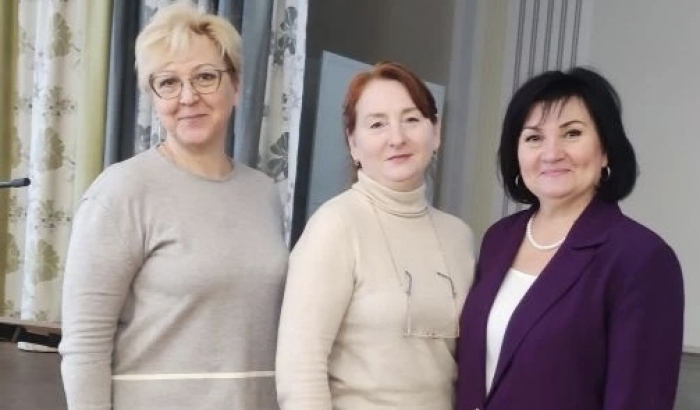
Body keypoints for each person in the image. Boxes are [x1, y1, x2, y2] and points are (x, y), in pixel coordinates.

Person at [59, 3, 288, 409]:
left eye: (205, 77)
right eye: (168, 82)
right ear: (153, 96)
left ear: (235, 85)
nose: (188, 97)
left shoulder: (263, 193)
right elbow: (84, 346)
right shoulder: (121, 192)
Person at [456, 67, 685, 410]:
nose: (551, 153)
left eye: (572, 133)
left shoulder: (641, 258)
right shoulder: (499, 239)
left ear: (605, 149)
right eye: (534, 138)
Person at [275, 61, 475, 410]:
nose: (397, 138)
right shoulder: (335, 226)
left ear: (436, 131)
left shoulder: (458, 236)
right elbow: (300, 370)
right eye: (377, 124)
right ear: (354, 143)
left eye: (411, 119)